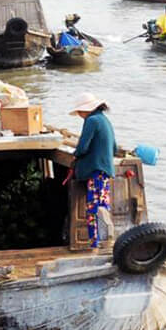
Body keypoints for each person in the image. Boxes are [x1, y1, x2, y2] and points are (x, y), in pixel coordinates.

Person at [69, 93, 117, 249]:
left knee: (93, 208)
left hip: (95, 171)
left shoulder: (91, 120)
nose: (80, 115)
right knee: (103, 206)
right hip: (105, 170)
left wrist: (75, 155)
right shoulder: (105, 120)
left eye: (80, 112)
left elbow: (82, 147)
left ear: (86, 109)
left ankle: (94, 243)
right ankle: (106, 241)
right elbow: (114, 148)